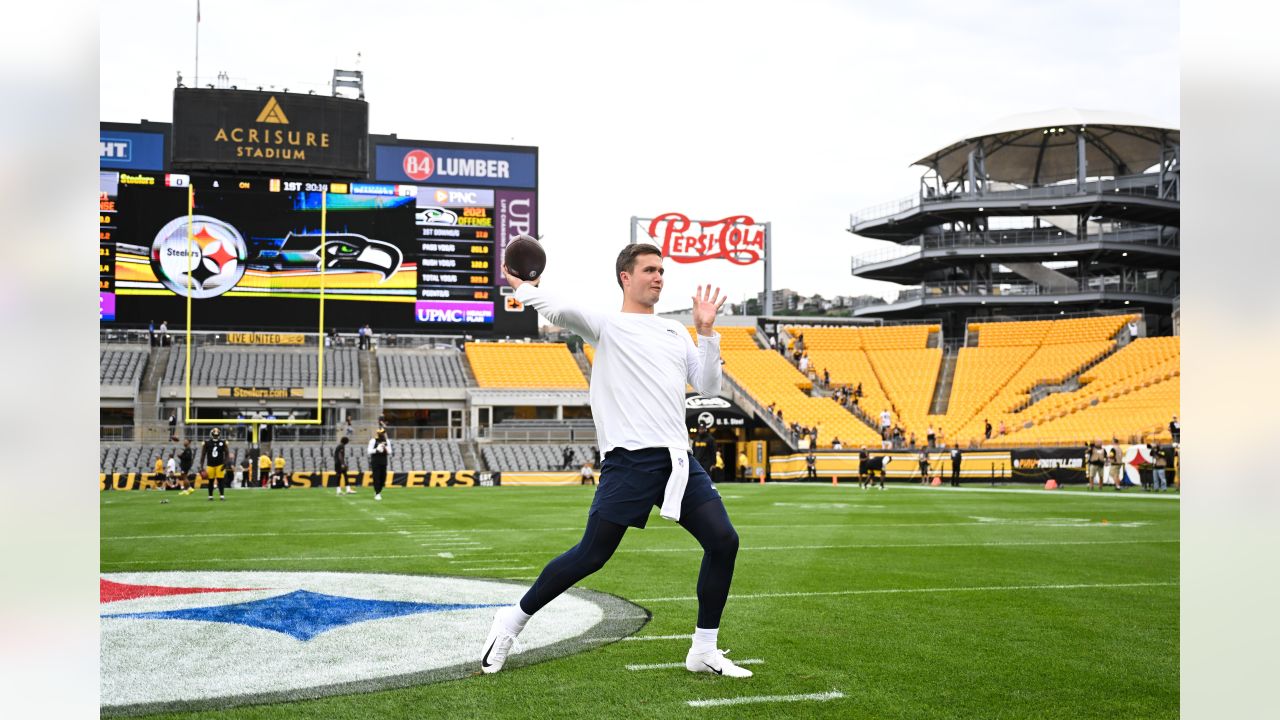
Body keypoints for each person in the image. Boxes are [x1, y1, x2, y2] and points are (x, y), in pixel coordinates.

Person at [480, 243, 751, 678]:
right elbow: (558, 308)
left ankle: (704, 649)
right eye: (649, 270)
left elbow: (709, 385)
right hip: (630, 460)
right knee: (591, 555)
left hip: (678, 460)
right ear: (625, 276)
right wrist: (522, 286)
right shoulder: (608, 325)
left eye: (662, 270)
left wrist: (706, 332)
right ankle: (511, 620)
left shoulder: (676, 331)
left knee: (724, 541)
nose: (659, 277)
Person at [202, 428, 229, 501]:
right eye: (214, 435)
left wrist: (225, 464)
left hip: (219, 464)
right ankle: (210, 496)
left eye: (217, 435)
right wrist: (201, 466)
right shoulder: (207, 443)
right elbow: (203, 454)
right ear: (212, 434)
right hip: (210, 464)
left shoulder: (223, 442)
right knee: (211, 481)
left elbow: (227, 454)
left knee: (220, 480)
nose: (215, 436)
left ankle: (222, 496)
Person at [368, 427, 390, 500]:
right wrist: (377, 449)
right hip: (375, 461)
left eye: (383, 433)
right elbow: (369, 451)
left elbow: (390, 451)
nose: (383, 434)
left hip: (384, 461)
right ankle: (377, 493)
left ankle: (379, 491)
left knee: (383, 478)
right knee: (376, 477)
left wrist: (384, 448)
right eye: (382, 433)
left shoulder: (387, 441)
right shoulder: (373, 440)